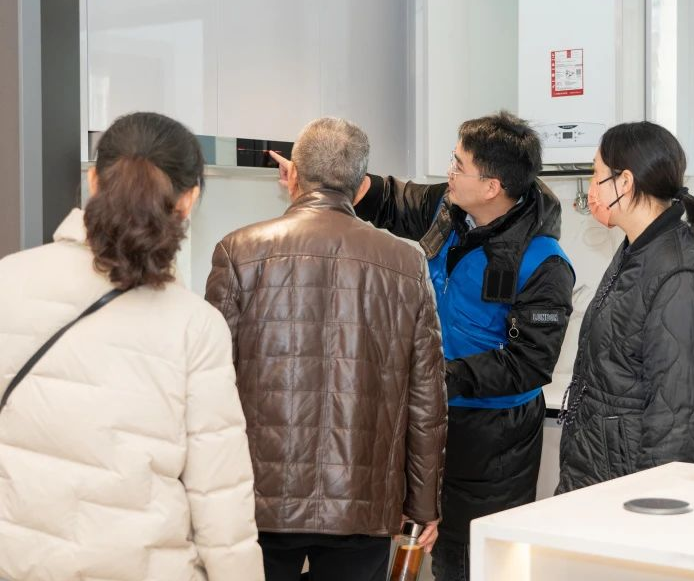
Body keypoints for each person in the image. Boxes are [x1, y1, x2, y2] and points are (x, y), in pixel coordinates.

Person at [284, 110, 575, 581]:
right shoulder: (449, 208)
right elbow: (393, 200)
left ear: (492, 186)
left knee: (471, 559)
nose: (449, 171)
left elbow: (528, 364)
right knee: (416, 539)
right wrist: (315, 181)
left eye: (459, 165)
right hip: (430, 419)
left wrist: (435, 376)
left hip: (493, 439)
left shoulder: (544, 262)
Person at [0, 112, 263, 581]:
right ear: (189, 200)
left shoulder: (8, 281)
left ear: (93, 181)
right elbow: (220, 496)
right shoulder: (195, 326)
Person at [206, 117, 447, 581]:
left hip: (258, 499)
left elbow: (211, 384)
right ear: (360, 185)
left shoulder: (238, 252)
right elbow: (426, 401)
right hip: (363, 499)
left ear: (293, 174)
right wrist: (422, 506)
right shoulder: (406, 263)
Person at [556, 121, 694, 493]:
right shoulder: (639, 250)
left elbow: (679, 421)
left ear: (624, 182)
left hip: (635, 494)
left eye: (596, 174)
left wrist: (652, 507)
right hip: (603, 479)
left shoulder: (679, 273)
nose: (592, 187)